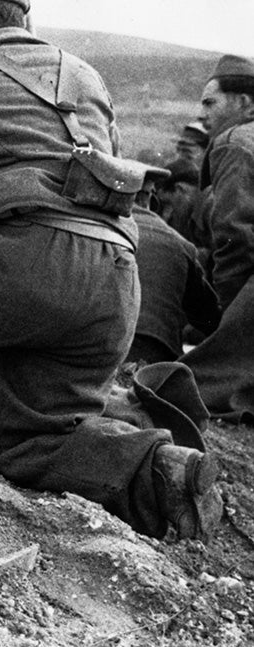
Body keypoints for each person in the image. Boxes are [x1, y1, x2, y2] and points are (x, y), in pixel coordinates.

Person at [0, 0, 222, 541]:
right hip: (114, 281)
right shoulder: (87, 77)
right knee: (27, 441)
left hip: (29, 271)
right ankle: (161, 469)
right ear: (25, 17)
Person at [181, 55, 254, 421]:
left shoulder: (234, 142)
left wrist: (222, 316)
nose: (203, 112)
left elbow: (234, 238)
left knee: (187, 388)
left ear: (244, 103)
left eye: (211, 102)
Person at [127, 170, 220, 364]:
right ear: (150, 201)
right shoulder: (180, 243)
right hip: (151, 354)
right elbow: (209, 318)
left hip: (89, 348)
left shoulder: (93, 230)